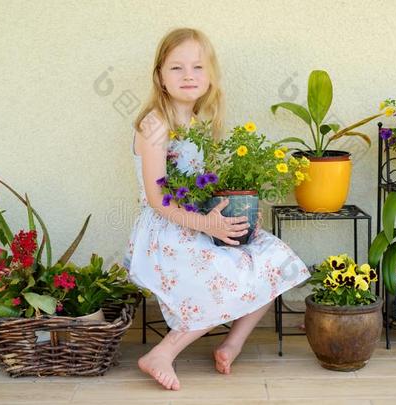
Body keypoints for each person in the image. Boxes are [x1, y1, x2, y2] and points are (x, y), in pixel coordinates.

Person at [123, 27, 310, 391]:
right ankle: (161, 353)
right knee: (223, 275)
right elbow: (159, 200)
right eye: (176, 68)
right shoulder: (155, 125)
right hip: (165, 233)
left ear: (210, 77)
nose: (188, 75)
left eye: (197, 67)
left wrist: (230, 211)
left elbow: (198, 186)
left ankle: (232, 344)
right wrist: (208, 226)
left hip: (199, 223)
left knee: (274, 258)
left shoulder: (195, 125)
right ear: (160, 77)